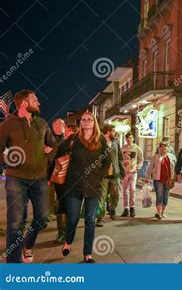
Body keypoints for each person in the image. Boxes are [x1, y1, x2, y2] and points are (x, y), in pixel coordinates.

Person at [0, 90, 57, 263]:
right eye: (35, 100)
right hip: (16, 178)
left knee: (43, 217)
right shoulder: (8, 124)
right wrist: (9, 159)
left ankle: (28, 244)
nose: (38, 102)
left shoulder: (41, 123)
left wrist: (46, 157)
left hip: (39, 178)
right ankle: (13, 267)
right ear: (24, 103)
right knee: (16, 223)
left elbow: (53, 144)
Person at [58, 112, 111, 263]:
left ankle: (88, 253)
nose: (86, 122)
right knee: (73, 218)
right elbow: (59, 151)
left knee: (90, 220)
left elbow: (107, 161)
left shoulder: (100, 140)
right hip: (74, 185)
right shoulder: (74, 138)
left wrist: (100, 175)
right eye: (84, 120)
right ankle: (68, 241)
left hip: (93, 186)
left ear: (94, 123)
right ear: (80, 123)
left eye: (89, 120)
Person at [96, 125, 125, 226]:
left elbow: (120, 158)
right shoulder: (99, 142)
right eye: (113, 131)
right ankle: (99, 217)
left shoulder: (116, 143)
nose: (115, 133)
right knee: (101, 197)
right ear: (108, 132)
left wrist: (122, 171)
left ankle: (112, 209)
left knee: (115, 195)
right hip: (103, 175)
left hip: (115, 174)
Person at [145, 142, 176, 219]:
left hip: (168, 180)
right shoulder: (155, 157)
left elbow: (175, 168)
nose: (163, 149)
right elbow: (150, 168)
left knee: (165, 196)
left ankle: (163, 212)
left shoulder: (171, 157)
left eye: (165, 147)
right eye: (161, 147)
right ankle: (158, 213)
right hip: (158, 179)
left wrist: (176, 176)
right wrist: (147, 178)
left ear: (167, 148)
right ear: (159, 148)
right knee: (159, 195)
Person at [49, 118, 67, 244]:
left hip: (67, 177)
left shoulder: (69, 140)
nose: (59, 126)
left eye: (61, 124)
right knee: (57, 203)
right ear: (52, 126)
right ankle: (61, 231)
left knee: (65, 203)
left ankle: (65, 230)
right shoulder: (48, 139)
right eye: (57, 124)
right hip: (53, 176)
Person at [120, 132, 144, 218]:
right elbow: (119, 159)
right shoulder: (122, 148)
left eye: (130, 138)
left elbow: (141, 159)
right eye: (127, 138)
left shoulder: (137, 148)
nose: (128, 139)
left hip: (133, 172)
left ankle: (132, 208)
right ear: (125, 139)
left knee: (132, 189)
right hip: (124, 173)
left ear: (133, 138)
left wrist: (138, 168)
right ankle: (126, 208)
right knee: (124, 191)